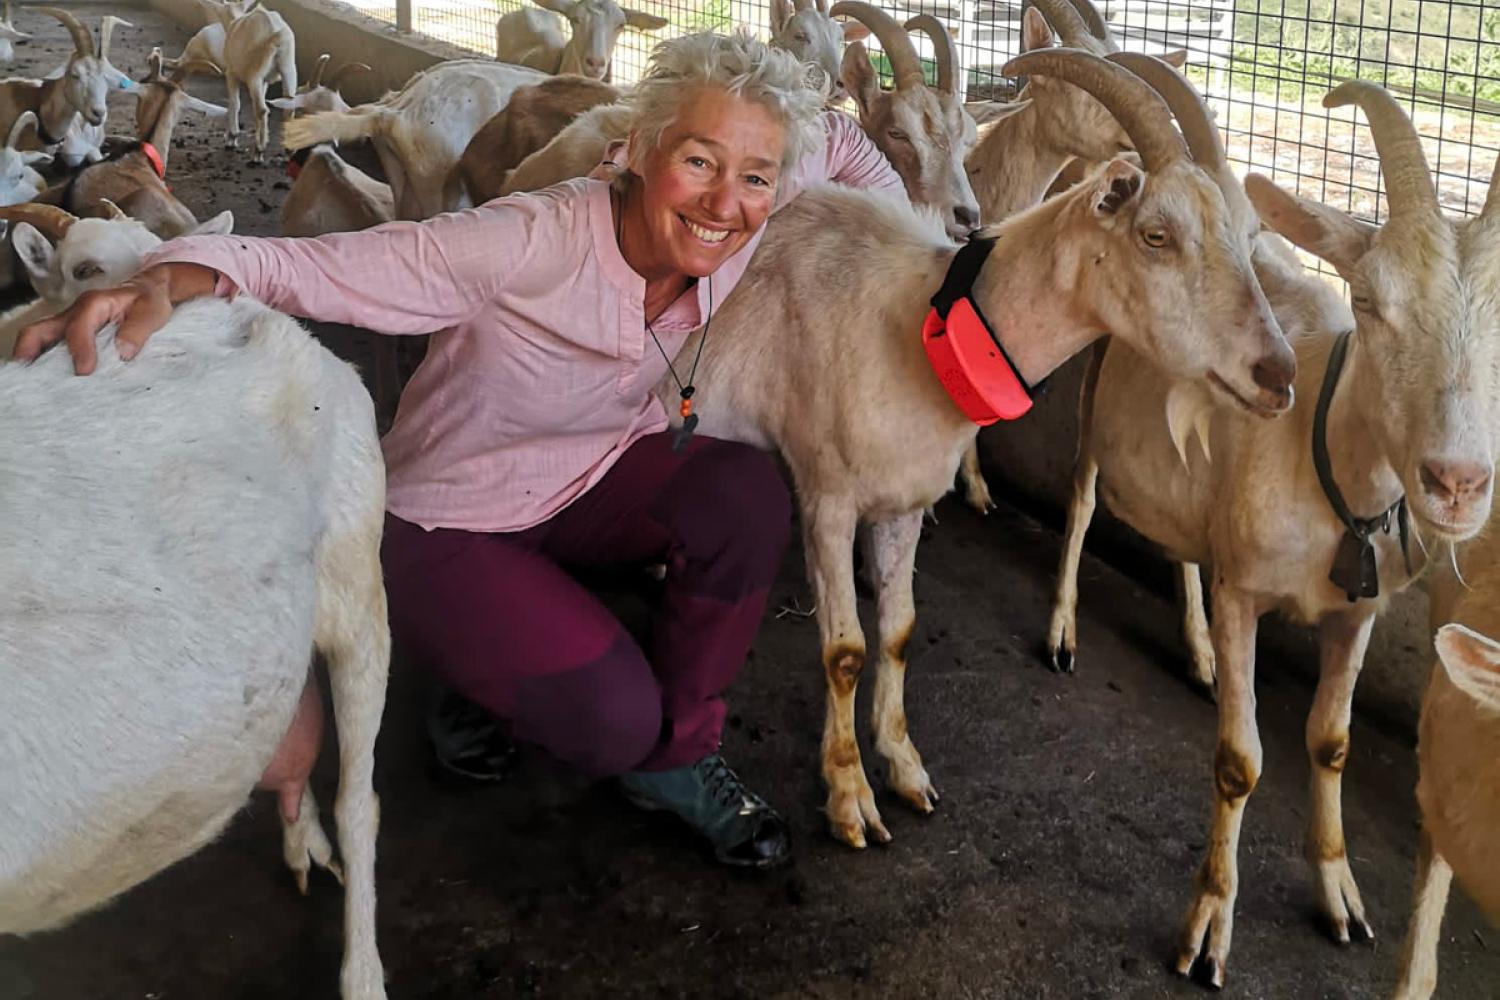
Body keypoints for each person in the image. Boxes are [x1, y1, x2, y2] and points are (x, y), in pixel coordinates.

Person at [17, 32, 905, 869]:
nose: (724, 202)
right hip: (448, 521)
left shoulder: (752, 201)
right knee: (612, 721)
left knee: (744, 497)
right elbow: (335, 266)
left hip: (586, 475)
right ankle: (465, 667)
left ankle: (675, 758)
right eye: (699, 161)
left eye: (754, 175)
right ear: (639, 147)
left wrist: (923, 251)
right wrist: (171, 274)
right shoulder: (528, 237)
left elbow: (845, 146)